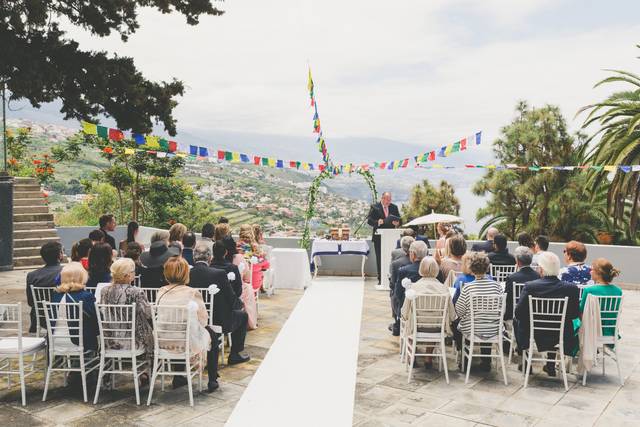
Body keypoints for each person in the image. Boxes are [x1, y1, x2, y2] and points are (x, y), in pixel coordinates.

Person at [156, 257, 218, 392]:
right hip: (185, 340)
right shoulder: (192, 292)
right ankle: (213, 379)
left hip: (164, 340)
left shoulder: (161, 291)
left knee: (178, 332)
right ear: (185, 273)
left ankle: (178, 377)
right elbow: (203, 320)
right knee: (212, 334)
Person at [515, 252, 580, 377]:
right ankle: (550, 364)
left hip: (535, 330)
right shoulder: (571, 288)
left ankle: (525, 361)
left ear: (541, 269)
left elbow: (518, 313)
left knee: (518, 321)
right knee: (562, 324)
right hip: (559, 332)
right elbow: (574, 314)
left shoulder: (530, 286)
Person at [189, 243, 250, 365]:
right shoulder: (219, 274)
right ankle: (234, 354)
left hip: (194, 320)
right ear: (209, 258)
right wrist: (239, 305)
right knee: (243, 316)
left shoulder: (187, 273)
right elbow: (231, 298)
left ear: (194, 257)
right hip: (218, 320)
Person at [401, 257, 456, 367]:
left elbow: (405, 313)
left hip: (417, 327)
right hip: (437, 328)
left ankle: (411, 356)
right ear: (436, 270)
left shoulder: (413, 288)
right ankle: (428, 358)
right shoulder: (444, 289)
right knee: (433, 322)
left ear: (421, 269)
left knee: (409, 322)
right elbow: (452, 315)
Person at [453, 251, 502, 372]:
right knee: (487, 321)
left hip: (472, 329)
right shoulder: (497, 286)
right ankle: (486, 361)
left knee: (460, 324)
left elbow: (459, 311)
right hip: (493, 328)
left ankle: (465, 358)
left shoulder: (468, 287)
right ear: (487, 268)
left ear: (472, 268)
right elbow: (502, 310)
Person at [100, 258, 154, 365]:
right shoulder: (136, 292)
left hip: (110, 339)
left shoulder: (104, 291)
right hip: (133, 340)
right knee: (150, 331)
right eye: (133, 271)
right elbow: (148, 314)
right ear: (127, 275)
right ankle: (145, 372)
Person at [52, 262, 99, 352]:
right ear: (81, 277)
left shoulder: (56, 295)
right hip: (79, 341)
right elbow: (96, 320)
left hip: (55, 339)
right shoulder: (86, 296)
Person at [212, 241, 257, 329]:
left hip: (213, 306)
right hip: (227, 308)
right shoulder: (232, 267)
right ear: (225, 252)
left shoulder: (210, 267)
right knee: (243, 314)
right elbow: (238, 290)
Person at [391, 241, 428, 336]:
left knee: (395, 298)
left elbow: (398, 295)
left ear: (413, 254)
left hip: (409, 312)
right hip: (429, 311)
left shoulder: (404, 271)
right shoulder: (435, 271)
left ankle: (400, 326)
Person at [26, 241, 64, 333]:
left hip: (41, 317)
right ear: (59, 255)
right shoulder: (66, 272)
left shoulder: (32, 275)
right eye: (62, 251)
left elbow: (31, 302)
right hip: (62, 316)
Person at [579, 258, 623, 336]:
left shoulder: (589, 290)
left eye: (592, 270)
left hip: (592, 330)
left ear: (598, 273)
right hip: (609, 329)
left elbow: (581, 312)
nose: (590, 272)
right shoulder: (618, 291)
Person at [367, 192, 401, 285]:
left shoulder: (394, 207)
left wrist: (397, 223)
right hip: (378, 237)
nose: (388, 202)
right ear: (382, 198)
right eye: (387, 200)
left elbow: (399, 219)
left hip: (391, 237)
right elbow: (369, 221)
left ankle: (392, 278)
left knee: (392, 258)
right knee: (379, 258)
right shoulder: (375, 207)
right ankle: (381, 279)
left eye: (390, 200)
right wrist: (378, 222)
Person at [504, 247, 540, 321]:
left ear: (518, 262)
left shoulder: (512, 278)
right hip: (533, 314)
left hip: (516, 316)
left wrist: (506, 317)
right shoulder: (538, 276)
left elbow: (508, 300)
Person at [388, 236, 414, 327]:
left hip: (402, 299)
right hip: (418, 297)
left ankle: (397, 323)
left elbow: (393, 284)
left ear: (403, 248)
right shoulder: (423, 263)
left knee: (393, 293)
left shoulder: (396, 264)